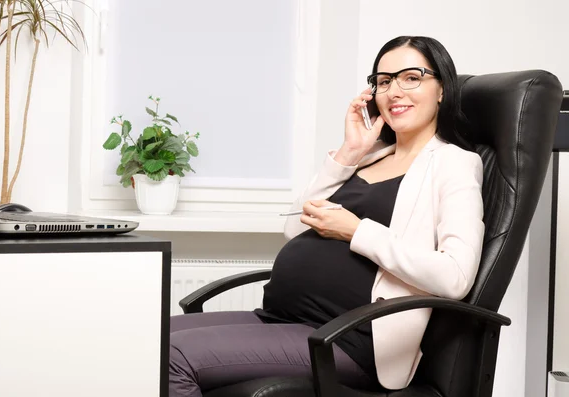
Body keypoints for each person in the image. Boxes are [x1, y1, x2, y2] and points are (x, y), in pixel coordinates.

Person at [169, 35, 484, 396]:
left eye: (411, 77)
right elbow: (294, 227)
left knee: (172, 357)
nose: (394, 91)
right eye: (383, 81)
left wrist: (356, 231)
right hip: (284, 320)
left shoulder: (453, 164)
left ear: (441, 89)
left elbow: (456, 276)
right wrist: (349, 151)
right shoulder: (370, 156)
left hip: (345, 340)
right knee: (152, 340)